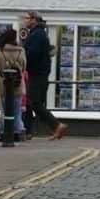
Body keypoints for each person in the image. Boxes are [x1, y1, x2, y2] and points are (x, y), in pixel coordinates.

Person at [22, 11, 68, 140]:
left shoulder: (37, 34)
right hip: (39, 73)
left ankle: (57, 126)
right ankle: (54, 128)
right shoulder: (39, 33)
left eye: (26, 18)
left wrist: (23, 56)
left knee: (34, 102)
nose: (24, 21)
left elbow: (32, 54)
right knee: (36, 103)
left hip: (37, 74)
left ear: (33, 20)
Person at [0, 29, 26, 142]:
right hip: (17, 84)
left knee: (4, 110)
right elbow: (24, 67)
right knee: (17, 110)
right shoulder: (21, 52)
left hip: (3, 85)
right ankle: (16, 133)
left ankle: (3, 133)